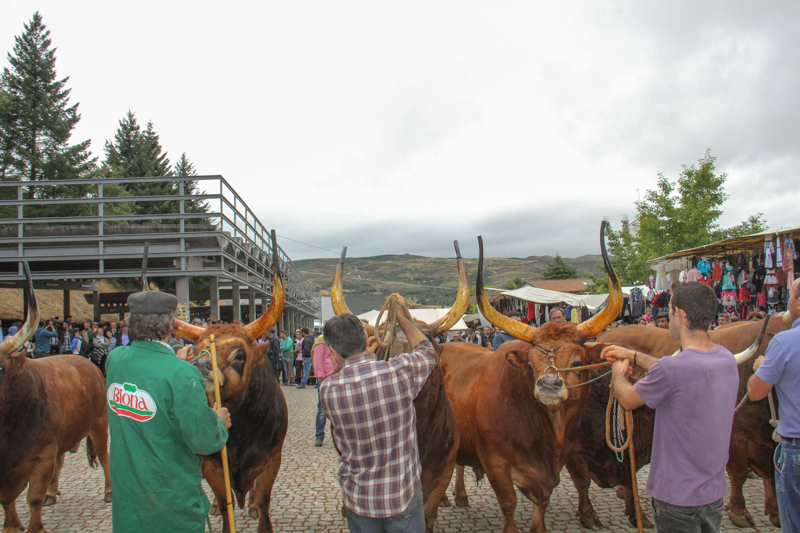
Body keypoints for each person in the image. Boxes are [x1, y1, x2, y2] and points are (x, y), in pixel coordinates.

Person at [602, 282, 737, 532]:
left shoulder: (672, 369)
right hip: (713, 493)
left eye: (670, 309)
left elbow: (628, 399)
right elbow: (678, 372)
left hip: (676, 497)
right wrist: (633, 355)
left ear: (680, 314)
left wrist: (618, 373)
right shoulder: (726, 359)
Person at [105, 291, 230, 533]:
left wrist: (174, 359)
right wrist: (219, 423)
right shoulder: (182, 374)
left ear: (131, 323)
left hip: (128, 498)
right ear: (170, 326)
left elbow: (147, 373)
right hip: (170, 502)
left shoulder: (115, 360)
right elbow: (204, 441)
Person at [320, 299, 433, 531]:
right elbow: (427, 352)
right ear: (365, 336)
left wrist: (354, 358)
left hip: (359, 497)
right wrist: (402, 318)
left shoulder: (327, 390)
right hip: (402, 493)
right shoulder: (398, 372)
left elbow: (348, 376)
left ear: (332, 351)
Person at [747, 277, 800, 529]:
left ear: (799, 304)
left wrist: (761, 368)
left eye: (790, 296)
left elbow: (756, 393)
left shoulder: (784, 342)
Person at [311, 334, 335, 447]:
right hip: (326, 377)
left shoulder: (338, 339)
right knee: (322, 408)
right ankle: (319, 436)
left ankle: (339, 436)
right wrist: (321, 377)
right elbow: (318, 360)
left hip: (337, 376)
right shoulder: (321, 341)